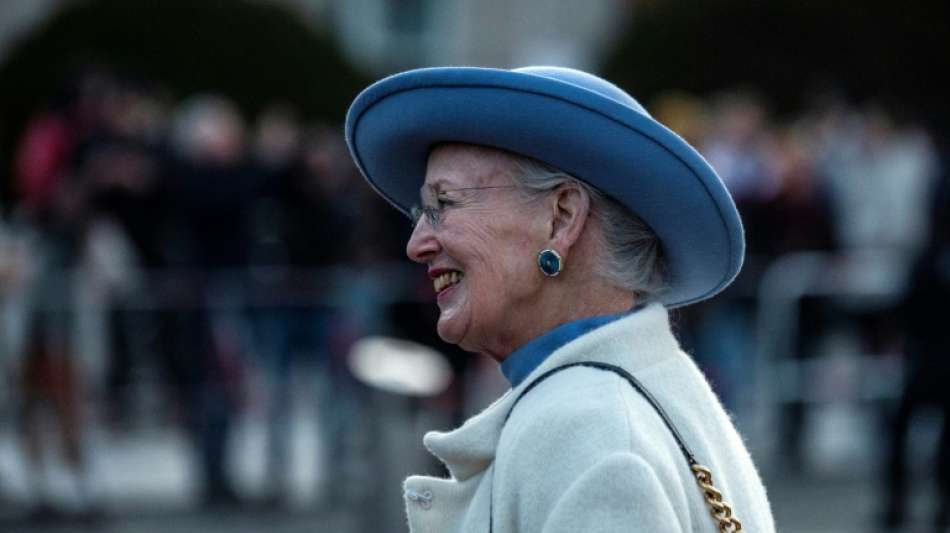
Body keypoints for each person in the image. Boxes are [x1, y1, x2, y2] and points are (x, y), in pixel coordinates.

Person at [345, 66, 776, 532]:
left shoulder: (588, 434)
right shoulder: (648, 388)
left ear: (561, 218)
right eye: (420, 212)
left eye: (443, 204)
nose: (417, 243)